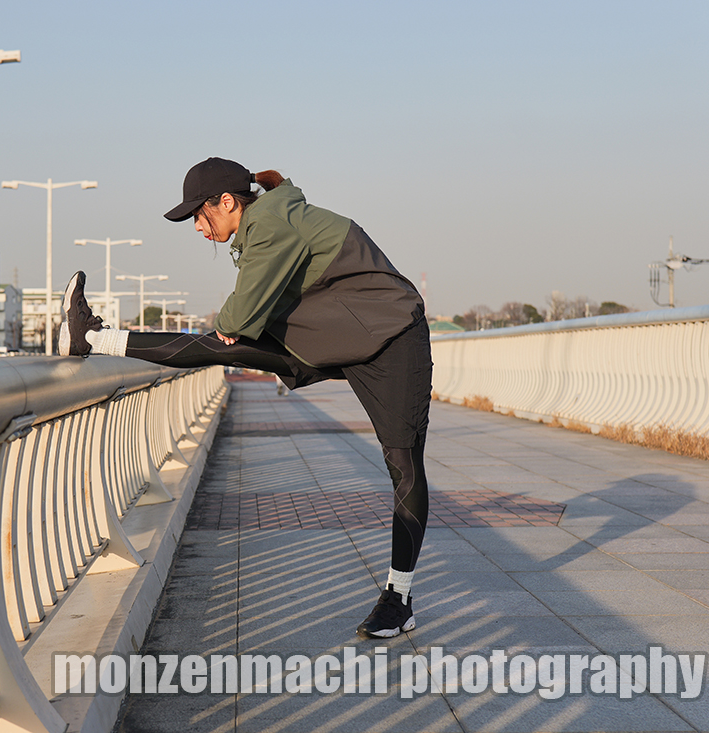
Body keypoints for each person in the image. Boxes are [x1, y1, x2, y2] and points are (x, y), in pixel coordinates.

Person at [59, 157, 432, 638]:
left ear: (227, 202)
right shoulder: (263, 225)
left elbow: (235, 319)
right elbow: (239, 321)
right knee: (219, 348)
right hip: (336, 333)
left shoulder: (273, 224)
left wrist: (235, 324)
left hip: (394, 337)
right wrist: (235, 326)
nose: (198, 227)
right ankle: (93, 337)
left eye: (199, 215)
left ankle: (399, 600)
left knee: (403, 464)